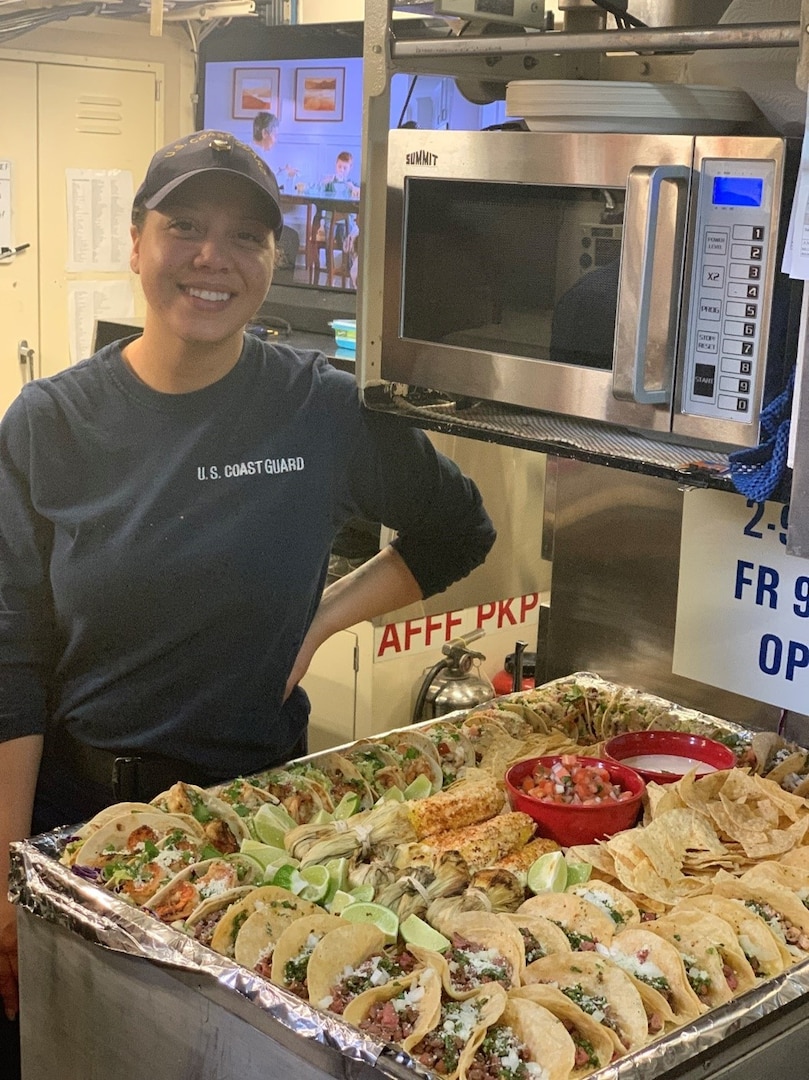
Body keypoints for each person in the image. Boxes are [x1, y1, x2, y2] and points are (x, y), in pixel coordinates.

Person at [0, 131, 495, 1070]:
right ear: (137, 244)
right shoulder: (50, 424)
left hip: (260, 828)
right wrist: (4, 876)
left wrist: (319, 619)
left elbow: (456, 532)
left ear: (275, 259)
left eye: (245, 236)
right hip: (80, 830)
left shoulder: (320, 409)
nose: (211, 258)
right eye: (183, 225)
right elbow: (8, 655)